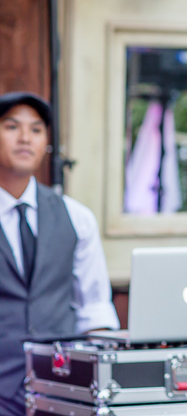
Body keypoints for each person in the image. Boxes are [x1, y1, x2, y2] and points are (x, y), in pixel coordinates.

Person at [0, 92, 119, 416]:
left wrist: (102, 385)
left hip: (63, 392)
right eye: (12, 127)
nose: (25, 138)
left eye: (37, 130)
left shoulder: (76, 217)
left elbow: (94, 308)